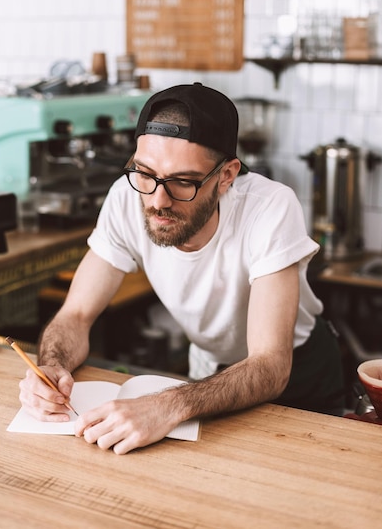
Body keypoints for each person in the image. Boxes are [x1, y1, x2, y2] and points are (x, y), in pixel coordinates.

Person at [19, 82, 345, 454]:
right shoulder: (127, 197)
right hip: (209, 375)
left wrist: (167, 405)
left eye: (183, 182)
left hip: (297, 374)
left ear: (226, 176)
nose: (158, 201)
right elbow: (76, 314)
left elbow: (269, 364)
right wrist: (51, 368)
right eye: (145, 173)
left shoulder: (269, 208)